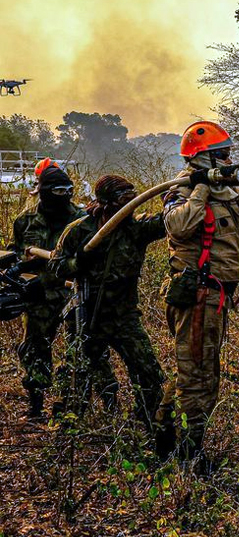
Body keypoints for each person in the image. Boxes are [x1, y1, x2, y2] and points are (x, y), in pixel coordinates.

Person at [159, 121, 239, 472]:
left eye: (229, 153)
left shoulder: (229, 189)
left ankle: (164, 436)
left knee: (194, 369)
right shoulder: (181, 191)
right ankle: (188, 454)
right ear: (203, 158)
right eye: (222, 153)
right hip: (198, 295)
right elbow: (179, 227)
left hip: (217, 296)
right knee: (200, 376)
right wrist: (200, 188)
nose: (229, 158)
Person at [50, 175, 174, 458]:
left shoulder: (136, 228)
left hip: (124, 316)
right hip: (87, 315)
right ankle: (67, 437)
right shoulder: (80, 230)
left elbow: (168, 222)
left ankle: (156, 433)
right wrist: (78, 261)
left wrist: (180, 194)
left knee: (148, 372)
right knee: (76, 374)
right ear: (105, 203)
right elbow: (57, 268)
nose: (128, 204)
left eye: (132, 197)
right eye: (122, 199)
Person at [7, 158, 115, 419]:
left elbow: (95, 261)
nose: (64, 197)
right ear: (42, 192)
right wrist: (19, 275)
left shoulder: (82, 220)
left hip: (74, 296)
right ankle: (35, 408)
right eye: (57, 191)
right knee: (34, 350)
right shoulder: (25, 221)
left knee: (84, 352)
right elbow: (14, 254)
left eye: (68, 191)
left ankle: (85, 409)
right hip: (38, 299)